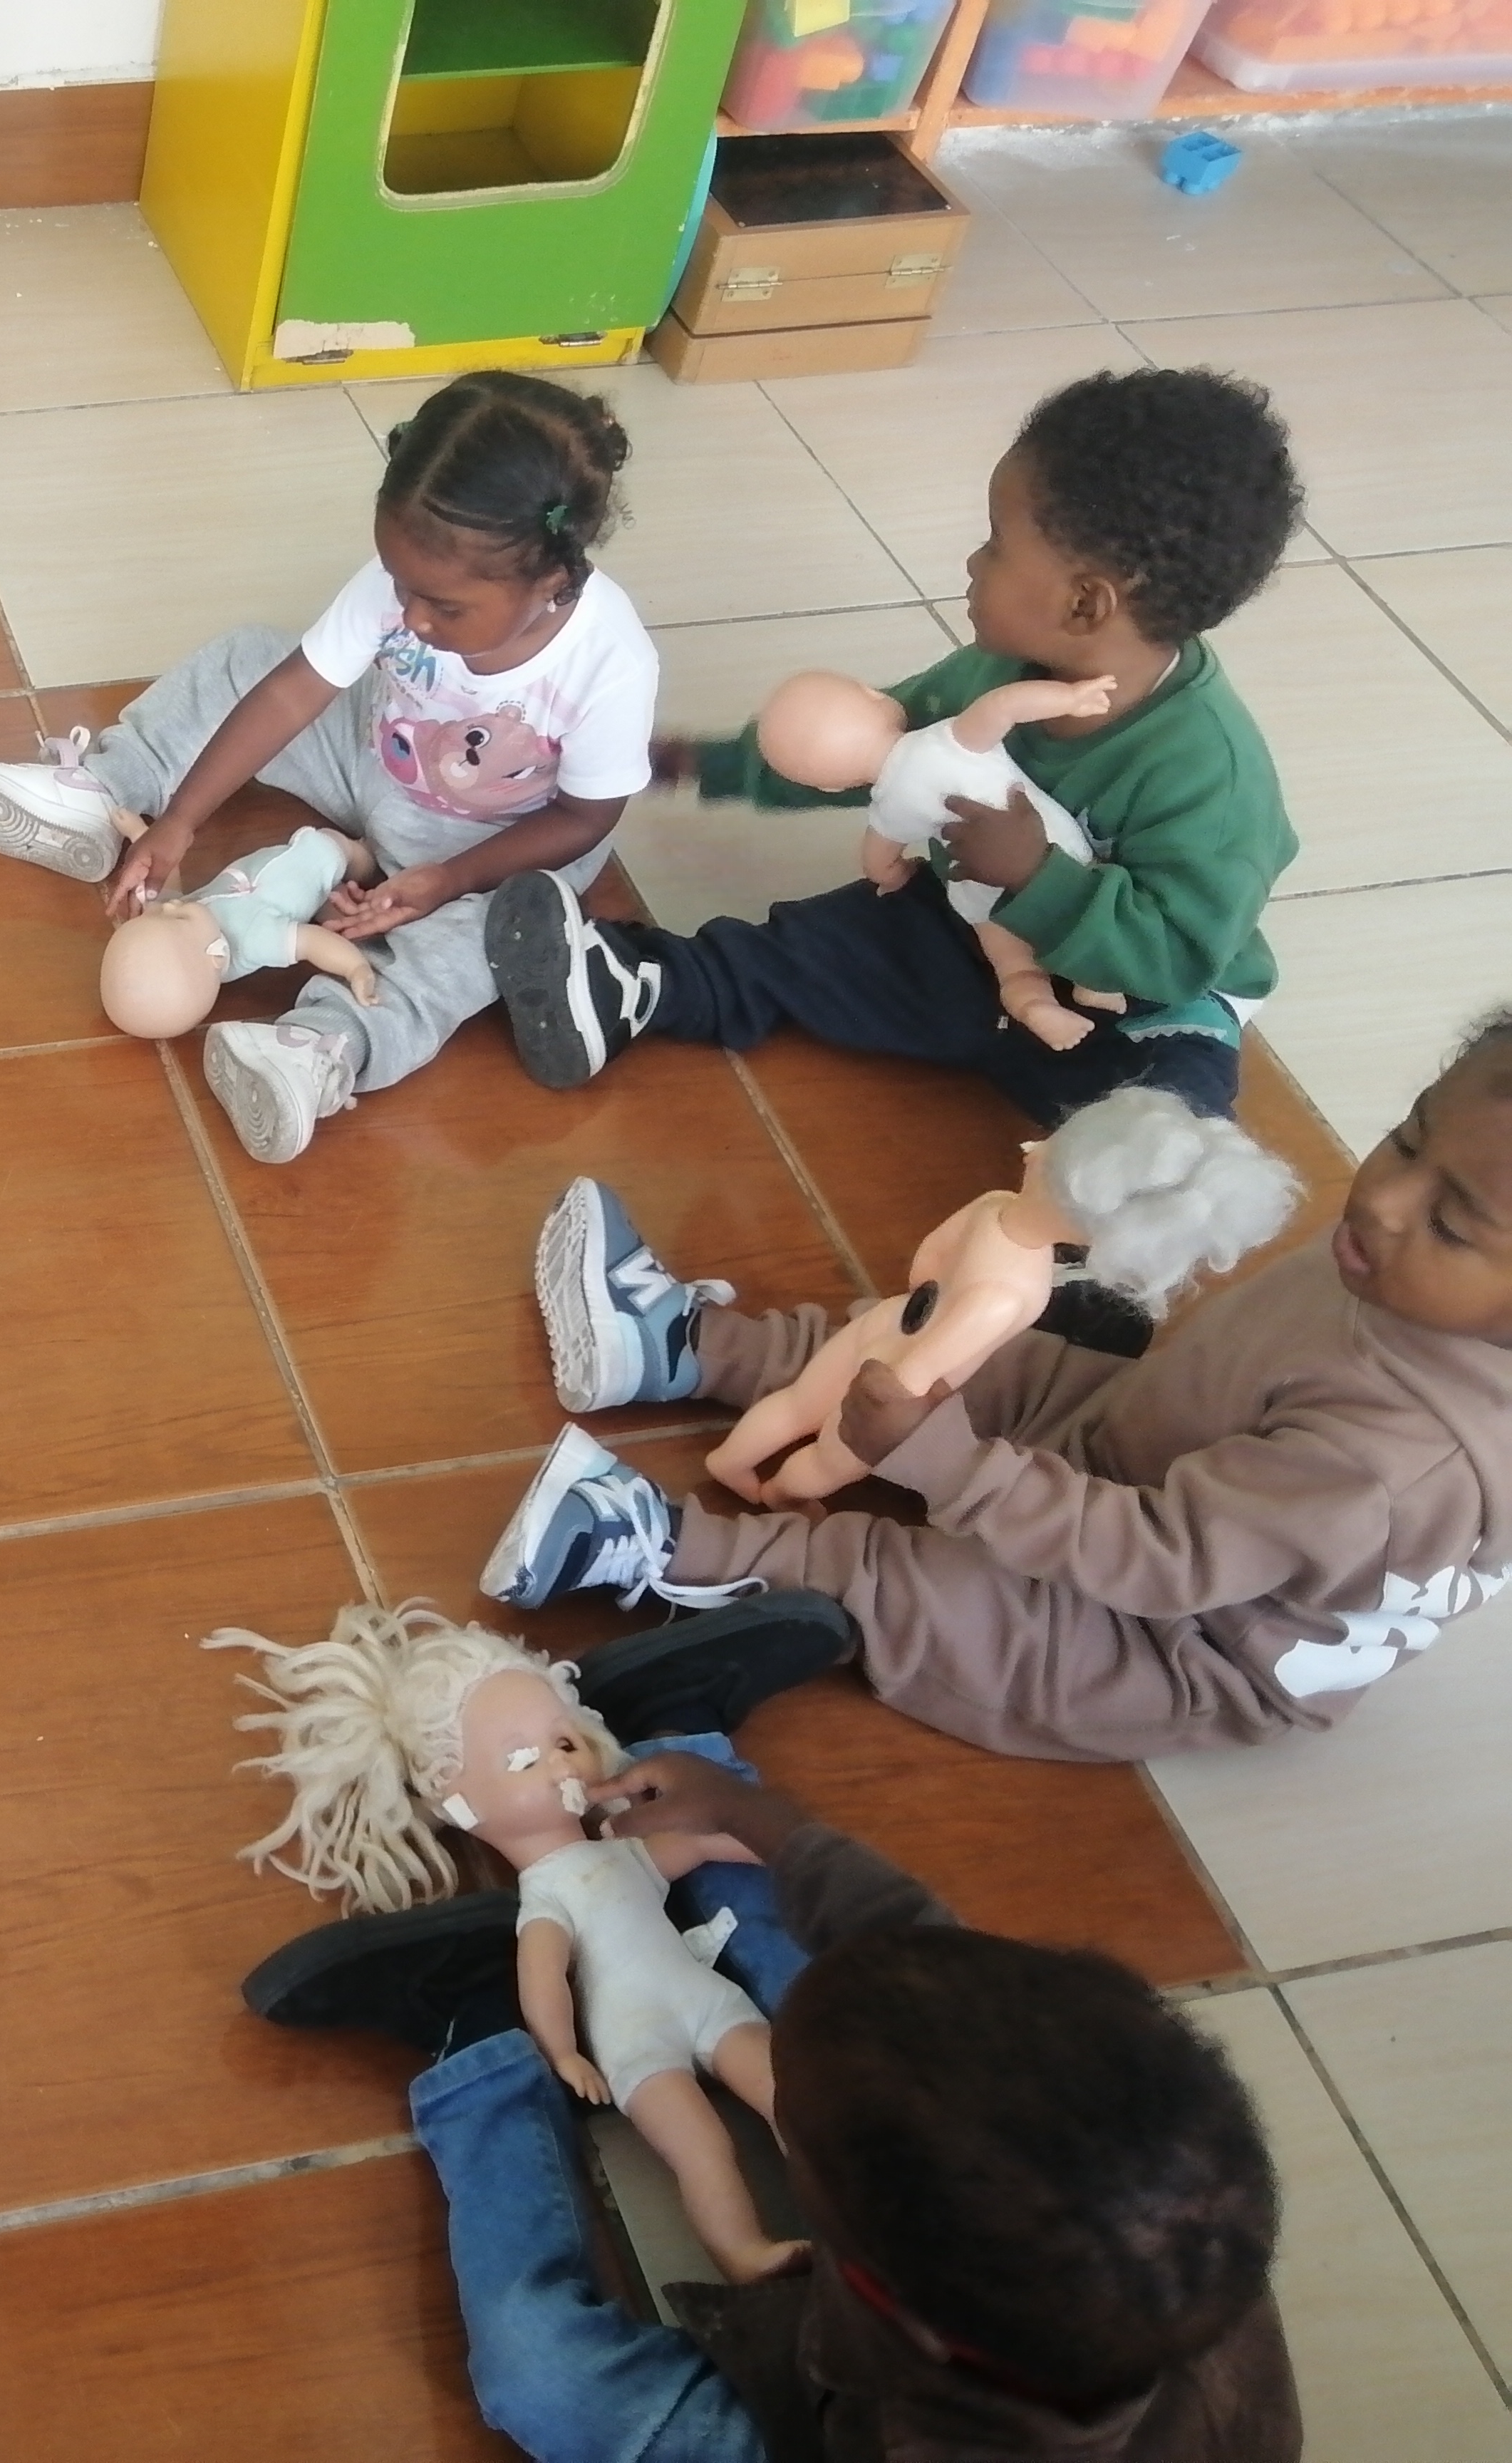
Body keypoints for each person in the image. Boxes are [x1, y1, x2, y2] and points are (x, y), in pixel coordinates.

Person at [480, 1013, 1512, 1763]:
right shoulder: (1406, 1266)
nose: (1384, 1200)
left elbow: (1163, 1561)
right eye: (1409, 1137)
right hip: (1143, 1447)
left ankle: (659, 1549)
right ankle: (685, 1346)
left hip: (1170, 1640)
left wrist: (951, 1467)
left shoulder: (1394, 1465)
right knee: (958, 1346)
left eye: (1453, 1221)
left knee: (903, 1578)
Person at [247, 1735, 1295, 2463]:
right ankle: (702, 1745)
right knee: (884, 1997)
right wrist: (755, 1815)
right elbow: (924, 1952)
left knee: (542, 2377)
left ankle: (469, 2038)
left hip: (814, 2438)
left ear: (852, 2279)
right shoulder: (1175, 2214)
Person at [484, 366, 1302, 1126]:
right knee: (800, 951)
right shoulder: (994, 672)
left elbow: (1180, 956)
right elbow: (871, 748)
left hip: (1125, 1003)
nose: (972, 562)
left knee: (1171, 1098)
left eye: (996, 545)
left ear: (1085, 605)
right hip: (962, 929)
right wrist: (707, 763)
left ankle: (1126, 1199)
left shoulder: (1210, 776)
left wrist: (1037, 876)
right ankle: (629, 984)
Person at [0, 371, 655, 1165]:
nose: (412, 617)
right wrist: (178, 823)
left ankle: (321, 1046)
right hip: (373, 758)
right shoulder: (414, 581)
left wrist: (449, 880)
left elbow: (588, 818)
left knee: (487, 939)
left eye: (444, 607)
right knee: (248, 658)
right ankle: (108, 790)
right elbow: (291, 693)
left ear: (551, 580)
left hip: (500, 843)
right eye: (401, 586)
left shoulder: (610, 660)